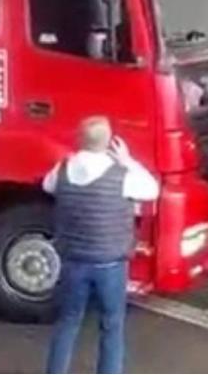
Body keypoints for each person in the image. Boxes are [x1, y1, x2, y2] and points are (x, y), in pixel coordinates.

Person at [43, 116, 159, 374]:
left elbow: (47, 186)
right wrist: (127, 160)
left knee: (67, 322)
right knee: (111, 325)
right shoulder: (122, 175)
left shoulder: (62, 169)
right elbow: (152, 190)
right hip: (110, 265)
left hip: (72, 261)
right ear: (110, 142)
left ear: (79, 138)